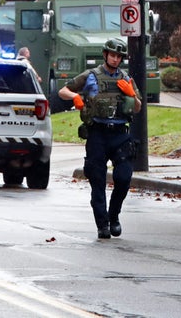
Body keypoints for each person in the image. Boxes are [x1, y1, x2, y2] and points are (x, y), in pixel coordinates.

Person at [58, 37, 142, 240]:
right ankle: (102, 224)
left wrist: (132, 95)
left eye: (119, 56)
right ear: (105, 55)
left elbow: (138, 108)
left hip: (120, 134)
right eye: (112, 55)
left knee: (123, 178)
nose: (115, 59)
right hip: (98, 134)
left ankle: (114, 216)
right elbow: (63, 90)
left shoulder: (126, 78)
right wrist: (75, 97)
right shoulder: (91, 76)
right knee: (97, 181)